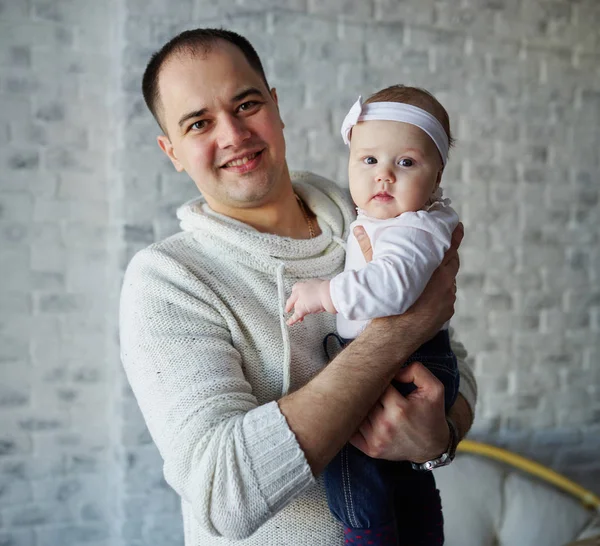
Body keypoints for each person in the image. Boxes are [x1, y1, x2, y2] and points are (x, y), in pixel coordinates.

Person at [119, 27, 477, 546]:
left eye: (246, 105)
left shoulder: (368, 214)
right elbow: (223, 495)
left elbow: (456, 362)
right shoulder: (168, 280)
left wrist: (439, 440)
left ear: (276, 105)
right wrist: (394, 335)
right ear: (171, 150)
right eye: (199, 123)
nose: (234, 135)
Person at [286, 86, 460, 546]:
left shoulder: (413, 230)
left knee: (349, 455)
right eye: (368, 161)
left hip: (410, 366)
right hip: (417, 358)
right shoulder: (395, 222)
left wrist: (325, 293)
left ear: (436, 173)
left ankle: (368, 535)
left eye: (405, 163)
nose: (383, 176)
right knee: (405, 480)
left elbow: (392, 289)